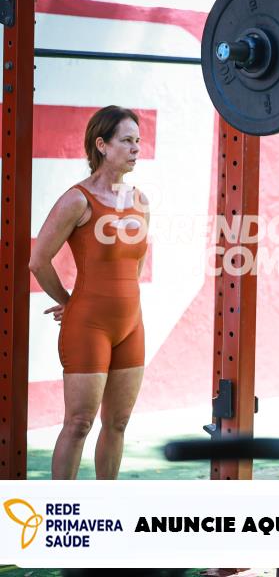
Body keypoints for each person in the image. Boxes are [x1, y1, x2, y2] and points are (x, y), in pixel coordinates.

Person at [30, 105, 150, 479]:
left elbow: (136, 264)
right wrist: (70, 302)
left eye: (138, 141)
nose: (136, 148)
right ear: (102, 145)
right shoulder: (77, 200)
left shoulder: (140, 201)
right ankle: (60, 509)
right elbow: (38, 261)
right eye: (127, 140)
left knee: (118, 423)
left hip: (131, 325)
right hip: (88, 326)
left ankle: (105, 503)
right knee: (79, 423)